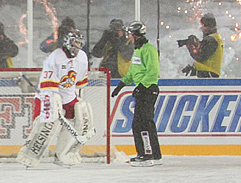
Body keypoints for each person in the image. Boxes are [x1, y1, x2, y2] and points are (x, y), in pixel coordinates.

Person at [18, 29, 94, 168]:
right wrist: (54, 105)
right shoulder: (55, 57)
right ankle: (29, 155)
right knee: (46, 125)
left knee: (81, 122)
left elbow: (79, 83)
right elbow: (48, 86)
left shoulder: (82, 57)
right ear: (68, 43)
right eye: (75, 43)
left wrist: (77, 98)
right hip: (49, 95)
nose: (77, 47)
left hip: (68, 96)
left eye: (79, 43)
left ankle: (63, 154)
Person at [112, 21, 162, 167]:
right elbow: (134, 72)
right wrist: (122, 84)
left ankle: (146, 154)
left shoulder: (149, 49)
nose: (129, 37)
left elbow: (153, 71)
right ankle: (155, 154)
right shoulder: (138, 51)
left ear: (135, 35)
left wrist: (141, 87)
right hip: (143, 90)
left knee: (142, 123)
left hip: (148, 90)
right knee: (144, 123)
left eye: (130, 34)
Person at [181, 13, 223, 77]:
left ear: (207, 26)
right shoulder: (214, 38)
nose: (201, 28)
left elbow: (200, 56)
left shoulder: (212, 40)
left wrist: (190, 46)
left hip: (208, 75)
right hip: (207, 74)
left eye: (202, 25)